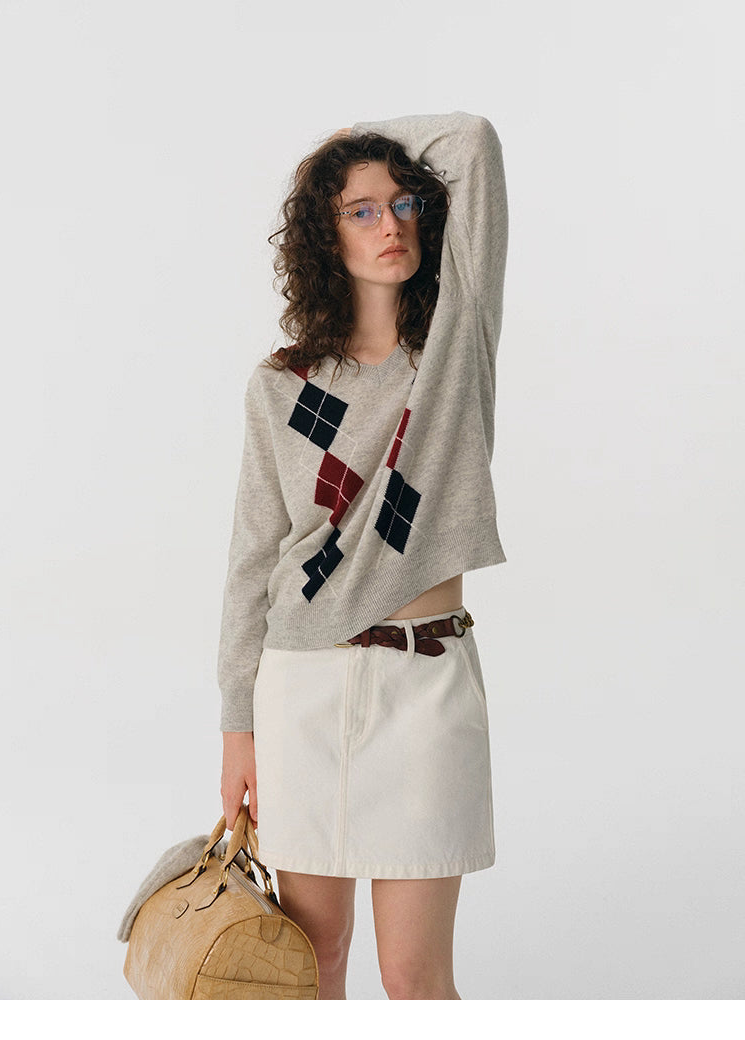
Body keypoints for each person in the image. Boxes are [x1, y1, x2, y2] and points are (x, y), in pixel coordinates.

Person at [218, 111, 508, 1000]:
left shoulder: (452, 359)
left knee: (417, 981)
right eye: (360, 210)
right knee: (314, 965)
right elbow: (250, 557)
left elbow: (474, 141)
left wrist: (353, 142)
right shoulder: (283, 385)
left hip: (427, 684)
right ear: (322, 232)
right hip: (304, 685)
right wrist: (238, 726)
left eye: (405, 202)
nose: (393, 224)